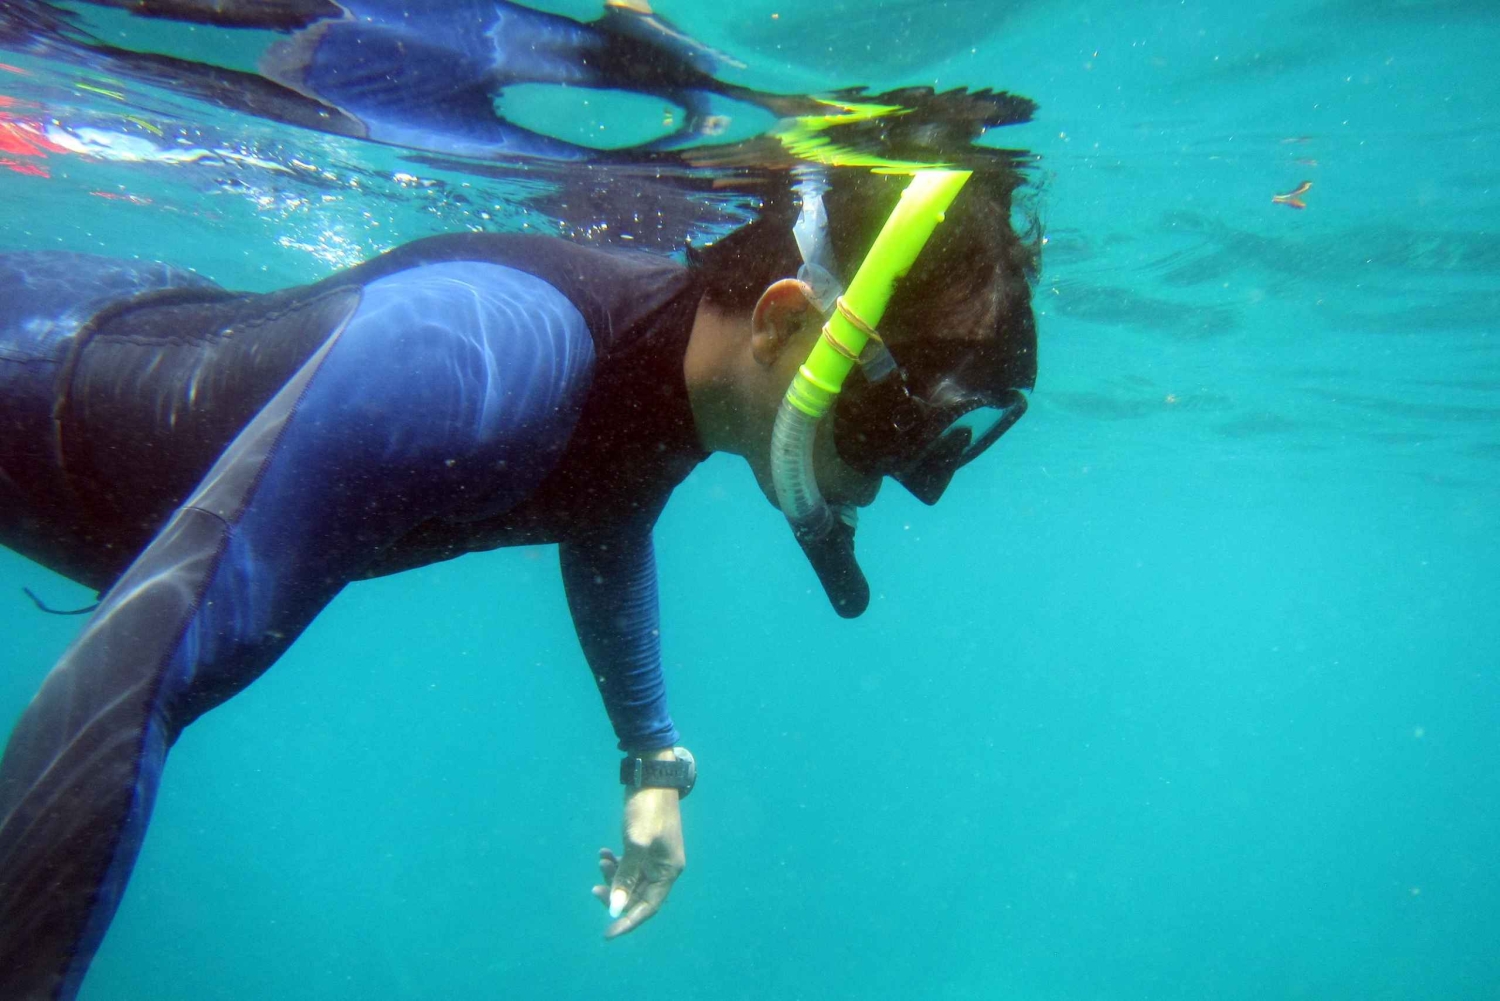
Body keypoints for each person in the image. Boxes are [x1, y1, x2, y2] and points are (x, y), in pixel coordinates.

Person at [0, 107, 1039, 998]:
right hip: (35, 370)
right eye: (885, 425)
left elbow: (609, 506)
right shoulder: (483, 358)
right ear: (781, 322)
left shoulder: (674, 376)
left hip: (106, 339)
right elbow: (135, 676)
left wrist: (652, 759)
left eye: (918, 445)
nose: (875, 482)